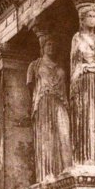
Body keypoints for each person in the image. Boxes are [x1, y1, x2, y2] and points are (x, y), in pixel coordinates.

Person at [69, 3, 95, 166]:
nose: (93, 19)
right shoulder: (77, 38)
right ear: (82, 18)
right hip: (84, 80)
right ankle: (87, 159)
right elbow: (74, 63)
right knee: (86, 117)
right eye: (89, 16)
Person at [27, 35, 72, 180]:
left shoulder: (60, 67)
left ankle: (65, 171)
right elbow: (31, 87)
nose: (51, 47)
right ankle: (46, 174)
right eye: (48, 44)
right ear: (43, 47)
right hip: (43, 101)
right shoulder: (35, 65)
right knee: (46, 136)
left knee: (63, 135)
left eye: (53, 45)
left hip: (60, 102)